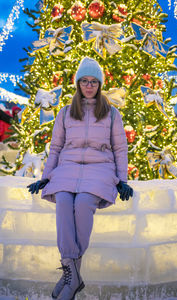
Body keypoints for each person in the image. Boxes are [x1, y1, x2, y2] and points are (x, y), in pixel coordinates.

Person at [27, 57, 133, 300]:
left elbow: (119, 149)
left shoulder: (112, 113)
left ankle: (70, 275)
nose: (88, 85)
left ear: (100, 84)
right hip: (68, 167)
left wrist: (122, 179)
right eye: (84, 81)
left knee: (84, 202)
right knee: (64, 200)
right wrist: (46, 177)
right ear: (77, 83)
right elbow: (55, 148)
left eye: (93, 81)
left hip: (100, 169)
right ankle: (72, 275)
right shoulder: (65, 112)